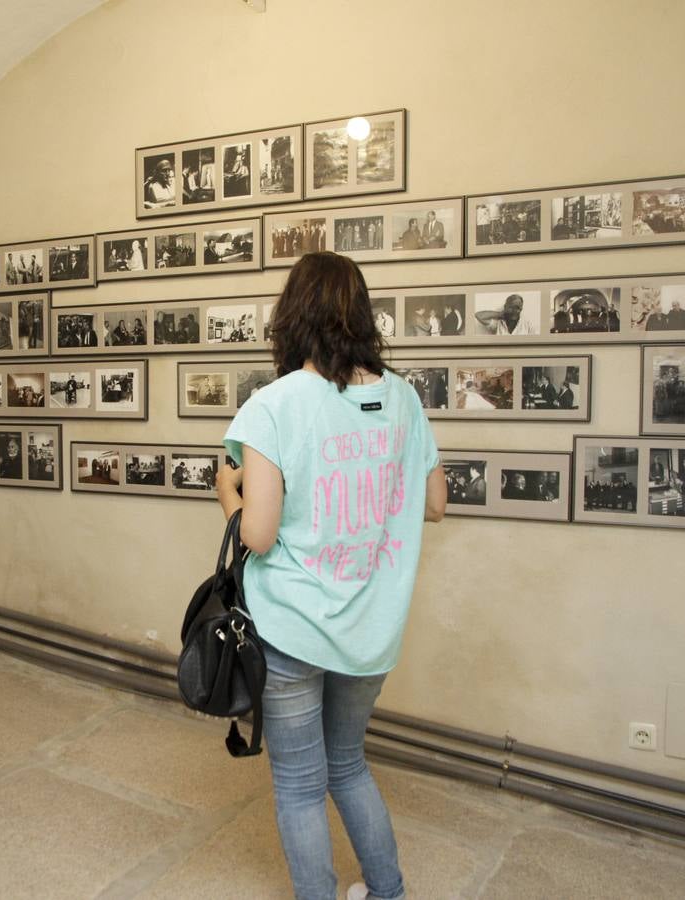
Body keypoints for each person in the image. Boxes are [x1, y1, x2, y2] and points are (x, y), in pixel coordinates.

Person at [216, 251, 446, 900]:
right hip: (372, 628)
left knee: (297, 782)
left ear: (291, 316)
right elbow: (435, 502)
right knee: (348, 764)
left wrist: (225, 495)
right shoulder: (403, 398)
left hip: (292, 626)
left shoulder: (274, 405)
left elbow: (258, 535)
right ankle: (389, 892)